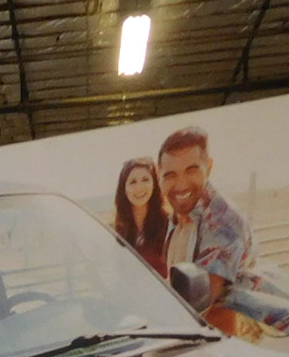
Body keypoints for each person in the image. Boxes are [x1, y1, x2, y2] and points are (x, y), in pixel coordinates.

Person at [157, 125, 262, 339]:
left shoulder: (223, 223)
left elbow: (197, 304)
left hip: (222, 349)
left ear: (209, 167)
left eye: (191, 170)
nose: (181, 185)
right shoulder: (178, 217)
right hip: (188, 345)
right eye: (170, 175)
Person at [111, 157, 169, 276]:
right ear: (124, 189)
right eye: (133, 182)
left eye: (145, 180)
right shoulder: (117, 229)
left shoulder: (168, 224)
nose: (139, 187)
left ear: (154, 184)